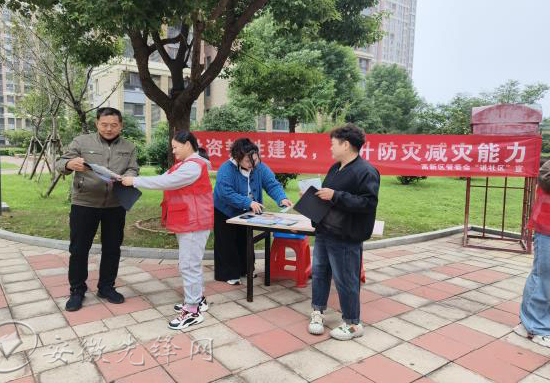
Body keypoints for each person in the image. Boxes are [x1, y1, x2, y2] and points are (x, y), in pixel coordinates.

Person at [121, 131, 213, 330]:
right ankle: (197, 300)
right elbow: (163, 178)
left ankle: (192, 311)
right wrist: (132, 179)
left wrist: (134, 181)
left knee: (189, 265)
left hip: (194, 221)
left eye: (175, 147)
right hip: (190, 220)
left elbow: (165, 182)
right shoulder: (185, 164)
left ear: (187, 144)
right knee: (191, 263)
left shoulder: (193, 166)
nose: (173, 151)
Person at [56, 107, 139, 312]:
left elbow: (133, 168)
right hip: (84, 203)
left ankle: (106, 287)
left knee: (112, 248)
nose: (109, 129)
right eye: (104, 124)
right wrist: (70, 164)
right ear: (96, 123)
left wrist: (129, 176)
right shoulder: (81, 142)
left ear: (121, 125)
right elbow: (60, 163)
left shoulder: (129, 147)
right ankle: (77, 290)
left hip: (115, 205)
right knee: (79, 249)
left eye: (114, 125)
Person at [307, 123, 380, 341]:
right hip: (324, 231)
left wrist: (335, 195)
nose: (330, 148)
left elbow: (368, 203)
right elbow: (328, 196)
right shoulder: (335, 168)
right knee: (319, 273)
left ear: (346, 145)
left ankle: (353, 323)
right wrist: (312, 198)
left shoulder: (366, 171)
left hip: (346, 236)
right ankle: (317, 311)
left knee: (346, 279)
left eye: (333, 144)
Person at [213, 138, 293, 285]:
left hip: (246, 212)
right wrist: (248, 202)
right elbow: (225, 192)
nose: (252, 164)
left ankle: (246, 269)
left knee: (245, 240)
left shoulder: (259, 167)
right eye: (248, 161)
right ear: (237, 158)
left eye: (255, 159)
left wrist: (281, 198)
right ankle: (229, 274)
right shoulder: (226, 169)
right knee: (227, 242)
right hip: (225, 210)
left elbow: (272, 184)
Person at [513, 160, 550, 347]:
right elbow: (545, 179)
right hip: (547, 228)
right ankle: (534, 327)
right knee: (544, 278)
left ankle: (534, 323)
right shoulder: (547, 168)